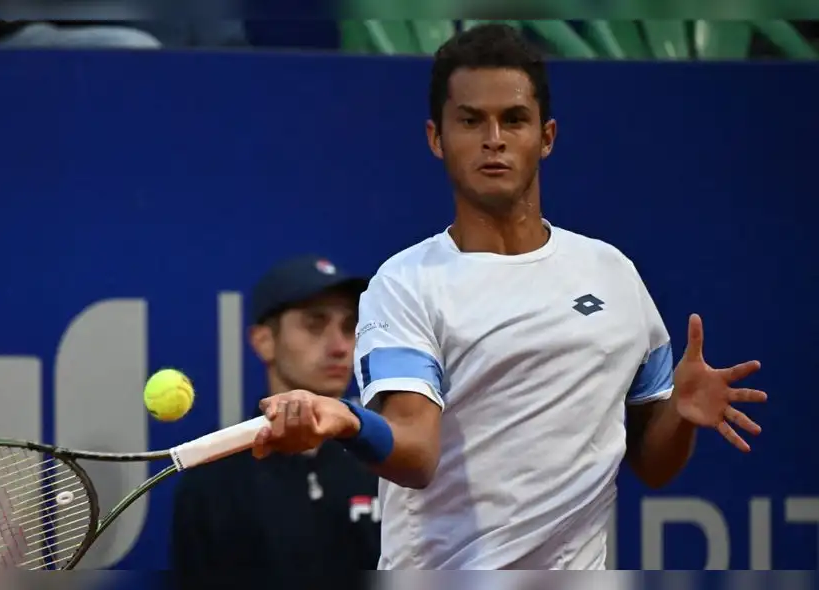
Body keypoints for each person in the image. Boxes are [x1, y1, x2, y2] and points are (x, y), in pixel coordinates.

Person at [250, 24, 769, 570]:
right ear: (437, 138)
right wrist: (351, 421)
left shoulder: (612, 273)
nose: (493, 138)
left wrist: (681, 414)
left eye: (513, 120)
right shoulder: (406, 283)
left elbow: (654, 466)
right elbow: (416, 455)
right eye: (471, 121)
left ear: (545, 136)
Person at [170, 255, 380, 582]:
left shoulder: (387, 461)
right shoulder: (213, 480)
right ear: (263, 341)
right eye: (315, 323)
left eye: (349, 326)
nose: (340, 347)